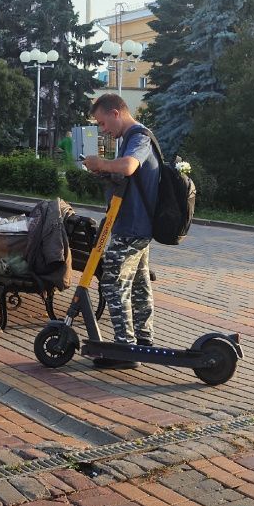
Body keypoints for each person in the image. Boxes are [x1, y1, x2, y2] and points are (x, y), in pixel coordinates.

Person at [81, 93, 159, 369]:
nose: (103, 130)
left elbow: (128, 167)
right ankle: (143, 339)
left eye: (103, 123)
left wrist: (100, 163)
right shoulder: (129, 139)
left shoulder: (139, 137)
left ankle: (126, 348)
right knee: (138, 285)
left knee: (112, 283)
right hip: (135, 226)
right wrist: (103, 171)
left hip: (132, 228)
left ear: (116, 113)